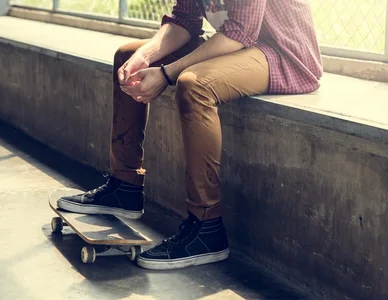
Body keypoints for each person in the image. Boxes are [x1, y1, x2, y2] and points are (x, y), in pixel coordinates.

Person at [57, 0, 323, 270]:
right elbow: (184, 21)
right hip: (237, 47)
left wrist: (166, 73)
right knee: (128, 57)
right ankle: (124, 188)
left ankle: (207, 227)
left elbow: (240, 32)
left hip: (282, 55)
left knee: (194, 85)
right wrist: (146, 55)